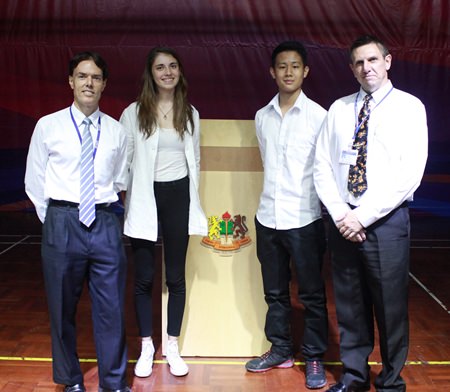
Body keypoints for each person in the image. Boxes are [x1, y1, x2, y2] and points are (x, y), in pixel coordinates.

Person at [314, 35, 428, 392]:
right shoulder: (338, 109)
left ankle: (391, 381)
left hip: (385, 221)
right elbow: (321, 166)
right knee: (349, 305)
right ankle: (353, 377)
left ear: (388, 61)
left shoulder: (409, 107)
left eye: (373, 60)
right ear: (352, 68)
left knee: (390, 306)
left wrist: (362, 216)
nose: (367, 68)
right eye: (359, 63)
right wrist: (341, 214)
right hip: (343, 221)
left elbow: (409, 172)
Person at [24, 52, 130, 392]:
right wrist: (56, 218)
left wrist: (97, 209)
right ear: (71, 81)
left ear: (103, 85)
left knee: (111, 308)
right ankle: (71, 380)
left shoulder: (117, 131)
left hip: (104, 222)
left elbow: (119, 180)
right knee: (61, 307)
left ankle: (113, 382)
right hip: (62, 220)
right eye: (82, 76)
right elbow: (34, 179)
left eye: (95, 77)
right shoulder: (48, 125)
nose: (88, 83)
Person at [245, 41, 328, 390]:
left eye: (295, 66)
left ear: (305, 71)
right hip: (268, 218)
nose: (289, 72)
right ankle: (280, 348)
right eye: (282, 66)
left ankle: (313, 355)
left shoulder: (320, 117)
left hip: (305, 218)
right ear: (272, 72)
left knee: (310, 294)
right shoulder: (262, 116)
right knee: (275, 292)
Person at [120, 46, 207, 378]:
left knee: (175, 276)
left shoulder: (191, 113)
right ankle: (146, 346)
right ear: (151, 73)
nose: (167, 72)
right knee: (143, 277)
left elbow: (194, 159)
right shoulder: (133, 113)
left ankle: (172, 344)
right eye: (160, 67)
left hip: (177, 194)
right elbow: (124, 159)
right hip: (145, 195)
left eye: (173, 66)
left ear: (180, 72)